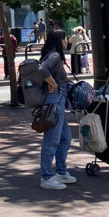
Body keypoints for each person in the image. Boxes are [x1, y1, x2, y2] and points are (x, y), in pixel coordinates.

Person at [38, 29, 75, 190]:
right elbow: (42, 69)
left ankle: (61, 171)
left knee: (65, 137)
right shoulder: (55, 55)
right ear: (60, 40)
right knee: (52, 139)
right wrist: (53, 84)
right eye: (65, 39)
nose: (67, 42)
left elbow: (52, 72)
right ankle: (47, 176)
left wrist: (63, 79)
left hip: (58, 98)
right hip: (55, 99)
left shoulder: (54, 56)